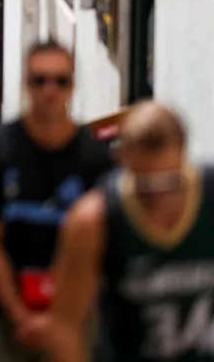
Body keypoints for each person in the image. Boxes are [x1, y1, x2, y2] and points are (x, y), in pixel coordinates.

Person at [0, 41, 114, 360]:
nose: (50, 91)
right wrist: (20, 315)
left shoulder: (96, 161)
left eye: (60, 81)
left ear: (72, 86)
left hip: (74, 314)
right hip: (1, 311)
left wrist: (60, 318)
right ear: (26, 83)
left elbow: (101, 251)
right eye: (40, 80)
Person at [49, 102, 214, 362]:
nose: (159, 197)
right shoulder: (94, 218)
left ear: (184, 158)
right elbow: (67, 325)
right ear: (124, 161)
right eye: (145, 187)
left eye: (169, 184)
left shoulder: (208, 199)